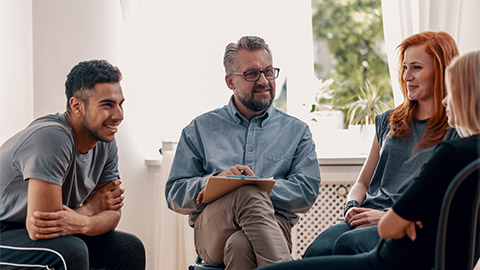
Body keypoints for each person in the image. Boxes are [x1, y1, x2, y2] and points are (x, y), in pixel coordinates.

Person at [258, 50, 480, 270]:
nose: (444, 101)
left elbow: (390, 227)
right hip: (402, 245)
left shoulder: (452, 151)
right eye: (404, 67)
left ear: (468, 95)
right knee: (319, 248)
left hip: (391, 258)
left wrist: (399, 219)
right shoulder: (467, 152)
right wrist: (400, 217)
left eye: (451, 92)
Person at [165, 36, 321, 270]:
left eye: (269, 72)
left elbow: (306, 192)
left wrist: (258, 185)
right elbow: (174, 194)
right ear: (230, 81)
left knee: (240, 246)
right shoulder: (199, 129)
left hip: (275, 226)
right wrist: (216, 182)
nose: (264, 81)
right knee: (247, 194)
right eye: (252, 74)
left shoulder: (297, 131)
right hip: (212, 229)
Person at [304, 31, 459, 257]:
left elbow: (445, 202)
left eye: (416, 67)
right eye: (405, 67)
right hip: (365, 215)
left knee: (348, 246)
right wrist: (351, 206)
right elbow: (362, 182)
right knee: (317, 250)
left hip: (405, 223)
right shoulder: (389, 120)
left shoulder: (456, 131)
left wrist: (388, 217)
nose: (406, 77)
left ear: (442, 70)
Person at [0, 60, 146, 270]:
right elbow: (42, 228)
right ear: (76, 106)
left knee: (129, 248)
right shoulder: (52, 137)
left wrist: (84, 222)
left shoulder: (105, 141)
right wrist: (91, 209)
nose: (119, 115)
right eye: (107, 105)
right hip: (6, 230)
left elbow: (113, 214)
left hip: (31, 229)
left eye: (120, 104)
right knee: (69, 252)